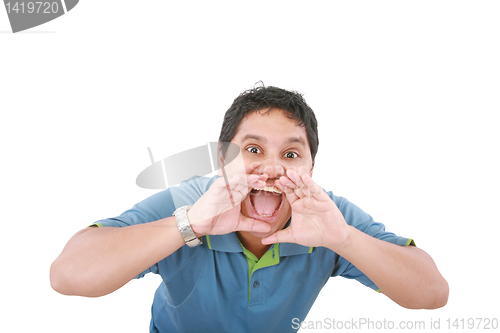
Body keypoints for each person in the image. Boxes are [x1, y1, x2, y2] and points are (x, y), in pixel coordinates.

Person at [50, 85, 449, 332]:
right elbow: (68, 275)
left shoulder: (325, 215)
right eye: (254, 149)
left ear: (311, 169)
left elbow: (433, 293)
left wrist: (342, 239)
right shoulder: (188, 202)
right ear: (224, 160)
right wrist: (189, 224)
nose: (272, 169)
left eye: (291, 153)